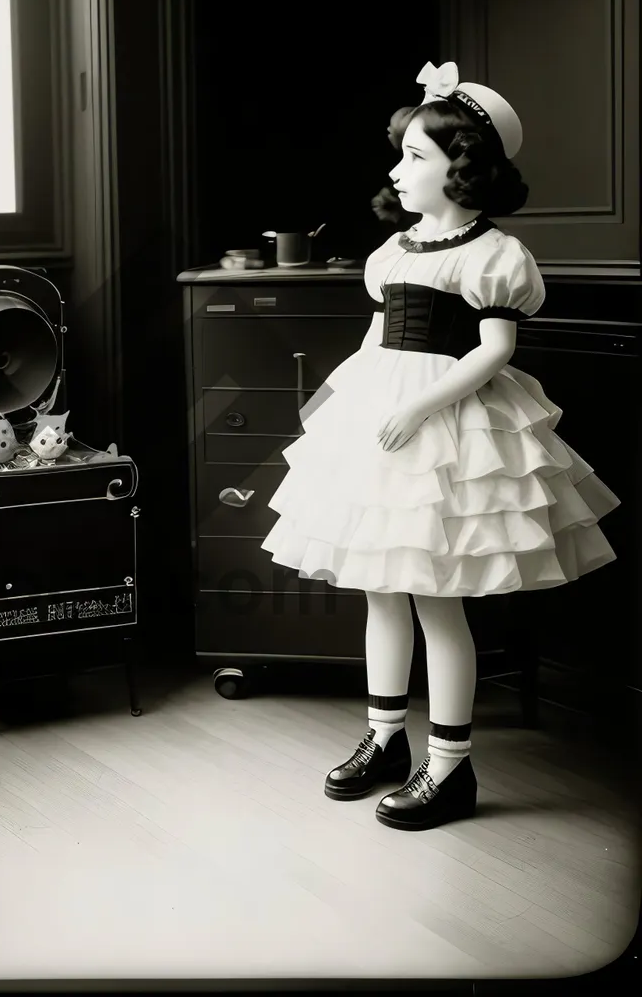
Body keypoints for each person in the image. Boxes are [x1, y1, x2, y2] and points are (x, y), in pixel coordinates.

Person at [261, 62, 620, 830]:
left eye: (416, 156)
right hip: (381, 419)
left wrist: (421, 406)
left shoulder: (492, 254)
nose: (398, 168)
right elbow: (371, 339)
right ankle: (387, 737)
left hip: (449, 427)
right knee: (381, 588)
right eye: (402, 155)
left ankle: (450, 766)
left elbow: (494, 350)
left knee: (434, 598)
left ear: (463, 169)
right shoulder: (394, 253)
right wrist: (330, 400)